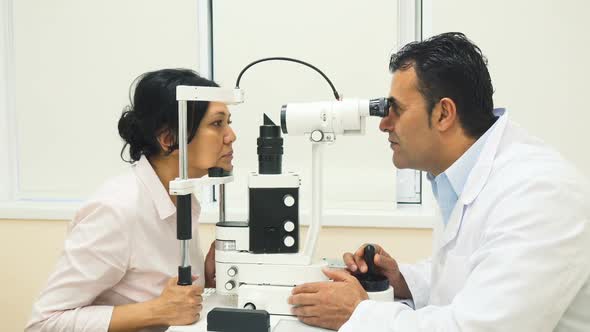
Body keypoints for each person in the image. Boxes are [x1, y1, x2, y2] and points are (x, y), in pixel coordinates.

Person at [289, 32, 590, 331]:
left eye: (397, 110)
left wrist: (358, 313)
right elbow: (475, 271)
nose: (383, 124)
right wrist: (403, 280)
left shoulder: (540, 193)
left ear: (444, 113)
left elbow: (484, 327)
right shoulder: (461, 175)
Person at [25, 68, 236, 332]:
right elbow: (44, 323)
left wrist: (206, 281)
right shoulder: (117, 209)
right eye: (217, 124)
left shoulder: (180, 197)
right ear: (169, 139)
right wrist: (156, 311)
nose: (231, 135)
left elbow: (163, 295)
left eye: (229, 122)